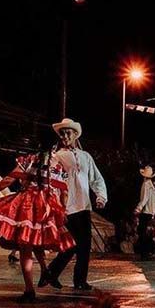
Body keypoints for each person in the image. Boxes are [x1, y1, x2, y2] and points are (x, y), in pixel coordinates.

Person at [0, 149, 75, 302]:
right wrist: (62, 208)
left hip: (28, 203)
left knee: (26, 244)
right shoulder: (57, 163)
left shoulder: (30, 160)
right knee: (36, 239)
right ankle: (43, 269)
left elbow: (9, 179)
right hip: (47, 204)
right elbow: (63, 190)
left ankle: (30, 289)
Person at [47, 118, 108, 291]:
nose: (65, 135)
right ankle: (51, 272)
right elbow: (54, 181)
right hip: (68, 206)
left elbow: (96, 178)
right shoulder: (56, 156)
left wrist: (100, 197)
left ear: (75, 135)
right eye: (63, 133)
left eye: (68, 132)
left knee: (85, 245)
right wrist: (57, 206)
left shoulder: (85, 156)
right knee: (71, 244)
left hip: (84, 205)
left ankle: (77, 280)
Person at [134, 165, 155, 260]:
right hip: (151, 212)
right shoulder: (152, 186)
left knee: (142, 233)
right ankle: (152, 250)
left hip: (145, 212)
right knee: (146, 233)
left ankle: (145, 253)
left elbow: (144, 198)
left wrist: (138, 208)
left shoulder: (146, 184)